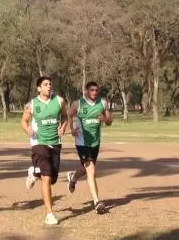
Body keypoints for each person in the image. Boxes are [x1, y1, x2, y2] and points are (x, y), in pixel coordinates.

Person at [20, 76, 68, 225]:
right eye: (45, 84)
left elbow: (65, 116)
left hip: (55, 142)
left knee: (52, 179)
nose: (49, 86)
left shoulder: (59, 101)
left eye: (50, 84)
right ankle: (49, 214)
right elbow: (24, 120)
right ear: (39, 88)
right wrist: (27, 129)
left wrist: (63, 126)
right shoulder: (32, 104)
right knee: (46, 177)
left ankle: (34, 172)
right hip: (38, 142)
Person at [66, 81, 113, 213]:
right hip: (82, 142)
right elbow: (69, 114)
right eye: (92, 90)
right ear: (86, 91)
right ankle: (97, 201)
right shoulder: (78, 104)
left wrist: (105, 118)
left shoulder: (103, 103)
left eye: (96, 90)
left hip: (95, 143)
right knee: (91, 169)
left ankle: (73, 177)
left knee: (87, 168)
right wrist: (72, 128)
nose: (94, 92)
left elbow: (109, 122)